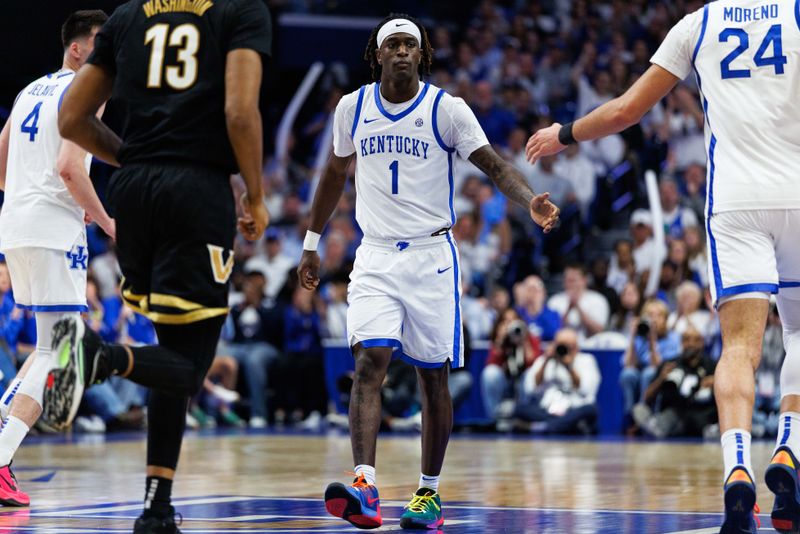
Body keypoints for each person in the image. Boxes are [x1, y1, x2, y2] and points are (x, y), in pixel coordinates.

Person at [526, 1, 800, 529]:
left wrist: (564, 134)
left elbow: (628, 110)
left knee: (739, 349)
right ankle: (789, 449)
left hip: (737, 203)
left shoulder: (698, 24)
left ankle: (737, 467)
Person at [297, 13, 559, 531]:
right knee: (370, 361)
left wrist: (529, 201)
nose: (399, 52)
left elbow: (495, 166)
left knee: (431, 377)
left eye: (408, 45)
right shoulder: (352, 108)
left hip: (430, 257)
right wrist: (312, 241)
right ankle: (366, 486)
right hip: (373, 255)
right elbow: (333, 173)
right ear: (376, 55)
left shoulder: (447, 109)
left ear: (422, 54)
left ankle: (428, 494)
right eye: (390, 44)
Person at [50, 2, 272, 532]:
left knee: (167, 353)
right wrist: (257, 197)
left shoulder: (126, 17)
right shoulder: (240, 12)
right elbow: (239, 113)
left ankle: (155, 506)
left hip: (134, 192)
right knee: (191, 367)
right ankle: (97, 355)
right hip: (195, 192)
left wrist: (134, 160)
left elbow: (71, 118)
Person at [0, 10, 114, 507]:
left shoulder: (31, 89)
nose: (110, 56)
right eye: (101, 45)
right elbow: (70, 168)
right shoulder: (85, 91)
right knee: (57, 353)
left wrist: (27, 194)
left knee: (49, 349)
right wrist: (108, 222)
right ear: (77, 49)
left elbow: (1, 153)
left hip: (17, 223)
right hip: (51, 229)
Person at [516, 327, 601, 434]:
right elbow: (531, 389)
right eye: (560, 345)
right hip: (547, 410)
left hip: (574, 408)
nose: (563, 349)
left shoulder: (586, 360)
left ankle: (543, 427)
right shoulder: (545, 360)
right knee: (519, 409)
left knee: (590, 410)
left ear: (576, 347)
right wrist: (546, 360)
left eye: (568, 346)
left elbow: (586, 391)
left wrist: (569, 366)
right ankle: (563, 426)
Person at [620, 298, 681, 425]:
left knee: (649, 372)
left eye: (659, 315)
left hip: (661, 377)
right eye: (650, 315)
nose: (654, 319)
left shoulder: (672, 337)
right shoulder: (639, 337)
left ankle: (644, 414)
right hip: (640, 374)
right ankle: (630, 417)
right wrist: (632, 336)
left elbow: (658, 366)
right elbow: (628, 364)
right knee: (628, 374)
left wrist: (652, 340)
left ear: (666, 319)